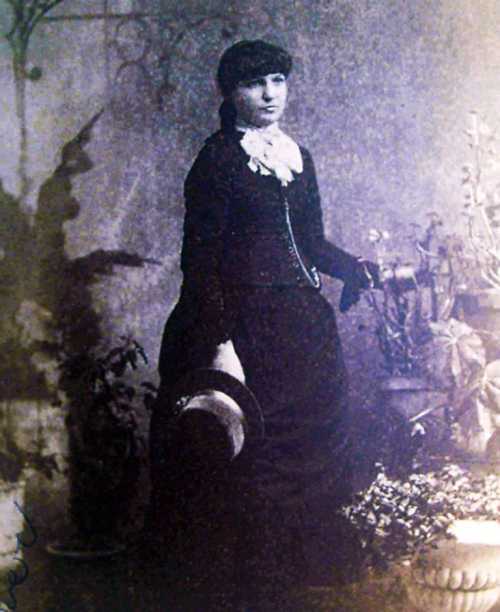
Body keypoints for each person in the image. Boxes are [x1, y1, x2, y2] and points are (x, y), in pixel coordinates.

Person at [149, 39, 380, 594]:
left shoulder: (298, 157)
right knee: (256, 452)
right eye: (255, 83)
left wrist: (353, 267)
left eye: (278, 80)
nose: (270, 94)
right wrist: (220, 342)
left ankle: (308, 577)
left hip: (302, 325)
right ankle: (254, 584)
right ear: (232, 93)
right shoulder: (219, 160)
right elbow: (199, 262)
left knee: (314, 447)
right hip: (244, 324)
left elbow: (310, 243)